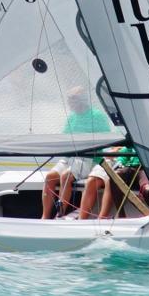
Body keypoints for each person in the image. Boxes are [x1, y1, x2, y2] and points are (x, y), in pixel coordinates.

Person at [42, 89, 112, 220]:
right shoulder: (72, 117)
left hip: (88, 158)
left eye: (72, 99)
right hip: (70, 157)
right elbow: (65, 138)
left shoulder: (96, 116)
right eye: (68, 99)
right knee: (50, 177)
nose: (69, 103)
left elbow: (106, 138)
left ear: (82, 99)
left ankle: (60, 214)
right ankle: (45, 216)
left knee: (66, 176)